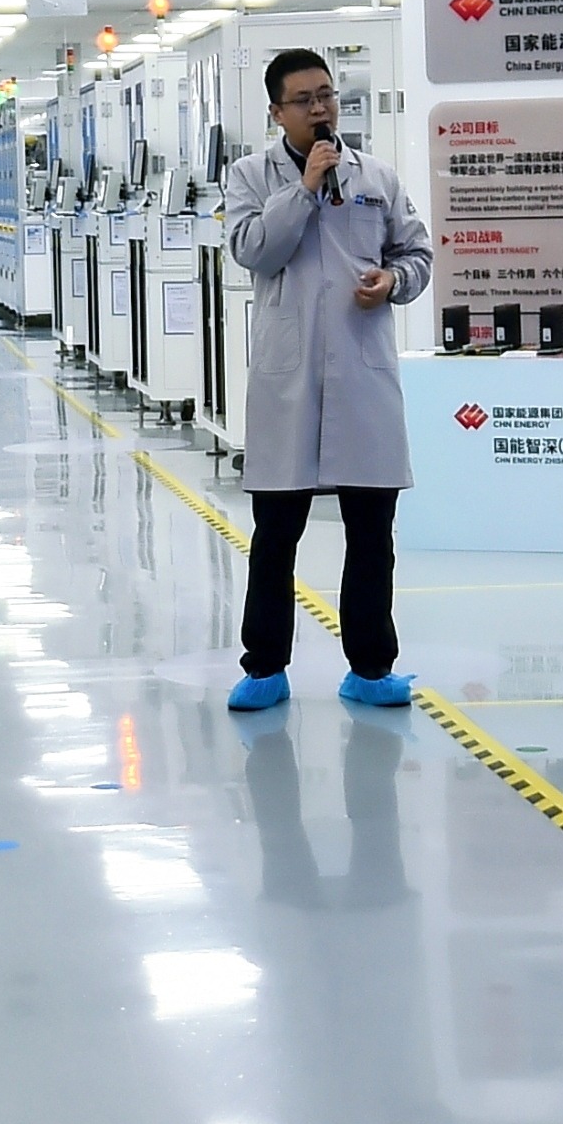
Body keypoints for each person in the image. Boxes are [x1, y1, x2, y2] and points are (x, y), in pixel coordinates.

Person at [222, 47, 435, 709]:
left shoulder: (376, 177)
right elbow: (254, 250)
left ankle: (370, 669)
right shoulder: (250, 176)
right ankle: (264, 667)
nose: (320, 108)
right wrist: (304, 188)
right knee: (275, 535)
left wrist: (392, 280)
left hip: (361, 372)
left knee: (371, 535)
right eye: (304, 99)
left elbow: (417, 253)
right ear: (276, 112)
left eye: (326, 95)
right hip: (287, 379)